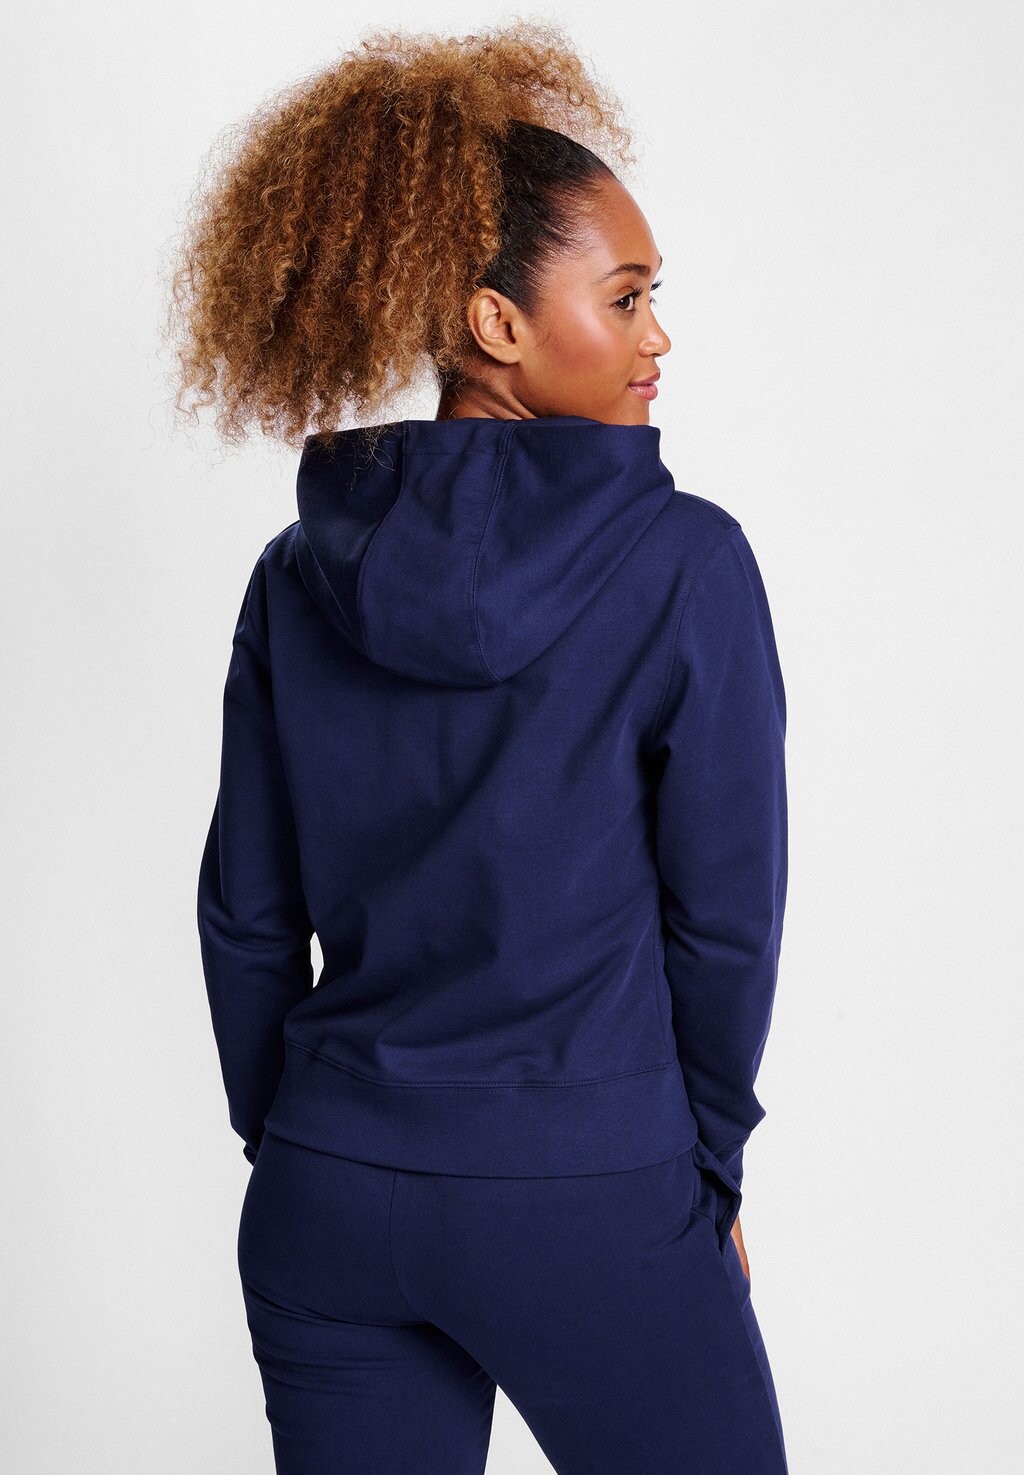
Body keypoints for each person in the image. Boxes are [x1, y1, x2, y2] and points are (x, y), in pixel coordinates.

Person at [168, 20, 790, 1474]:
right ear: (495, 324)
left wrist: (309, 1142)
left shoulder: (293, 577)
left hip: (329, 1194)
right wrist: (701, 1172)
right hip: (589, 1192)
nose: (658, 336)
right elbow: (724, 923)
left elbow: (247, 917)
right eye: (626, 298)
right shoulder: (686, 565)